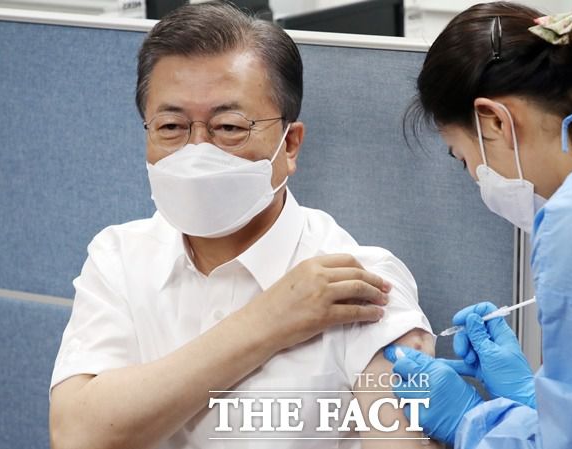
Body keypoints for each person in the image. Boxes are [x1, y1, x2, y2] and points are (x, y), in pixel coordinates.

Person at [48, 3, 437, 449]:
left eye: (229, 127)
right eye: (171, 126)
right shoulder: (120, 258)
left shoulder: (359, 282)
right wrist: (267, 321)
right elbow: (76, 435)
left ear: (290, 145)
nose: (197, 151)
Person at [384, 2, 572, 448]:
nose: (475, 177)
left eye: (463, 158)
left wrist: (470, 421)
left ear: (495, 121)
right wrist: (538, 400)